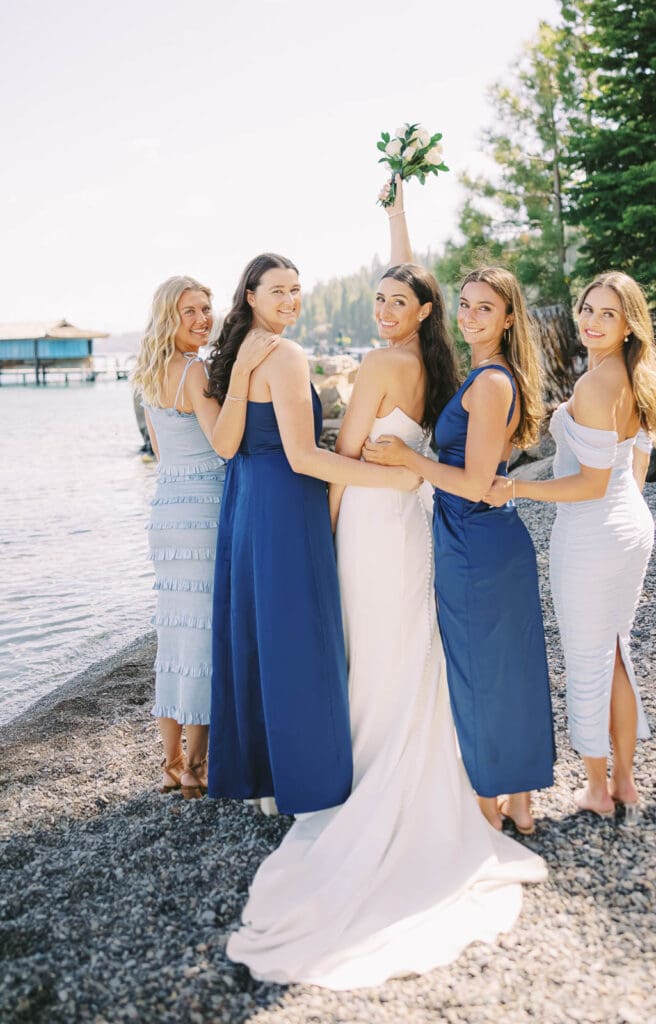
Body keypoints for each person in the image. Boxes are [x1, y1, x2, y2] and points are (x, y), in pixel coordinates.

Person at [225, 182, 547, 990]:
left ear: (419, 310)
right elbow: (408, 446)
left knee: (368, 649)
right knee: (409, 647)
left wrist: (324, 532)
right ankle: (415, 771)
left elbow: (351, 460)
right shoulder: (434, 368)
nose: (380, 309)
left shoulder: (377, 364)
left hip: (371, 523)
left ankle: (365, 778)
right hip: (415, 527)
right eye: (375, 299)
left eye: (395, 299)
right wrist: (398, 219)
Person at [204, 252, 419, 812]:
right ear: (249, 295)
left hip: (246, 503)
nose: (290, 301)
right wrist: (390, 479)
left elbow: (225, 448)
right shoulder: (286, 354)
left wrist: (243, 373)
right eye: (277, 290)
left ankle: (268, 782)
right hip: (283, 504)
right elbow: (303, 457)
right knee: (299, 636)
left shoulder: (242, 353)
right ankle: (309, 781)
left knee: (261, 632)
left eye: (296, 290)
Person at [365, 254, 556, 833]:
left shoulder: (493, 382)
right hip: (480, 538)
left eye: (485, 309)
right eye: (466, 305)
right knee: (509, 669)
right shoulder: (484, 376)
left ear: (506, 319)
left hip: (474, 540)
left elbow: (474, 483)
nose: (471, 316)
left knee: (478, 672)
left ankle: (488, 808)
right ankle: (518, 802)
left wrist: (410, 459)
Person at [485, 271, 656, 823]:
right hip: (628, 523)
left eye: (607, 314)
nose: (590, 321)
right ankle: (626, 782)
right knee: (614, 651)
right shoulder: (636, 376)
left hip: (593, 533)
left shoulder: (597, 384)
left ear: (628, 323)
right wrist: (619, 518)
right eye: (587, 309)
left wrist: (515, 487)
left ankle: (596, 787)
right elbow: (634, 465)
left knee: (588, 659)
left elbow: (589, 483)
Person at [132, 275, 276, 798]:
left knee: (175, 635)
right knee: (203, 638)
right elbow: (222, 443)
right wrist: (240, 381)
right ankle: (195, 764)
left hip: (167, 512)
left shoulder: (146, 374)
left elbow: (160, 450)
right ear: (169, 316)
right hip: (201, 513)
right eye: (190, 311)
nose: (202, 320)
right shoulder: (194, 371)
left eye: (206, 309)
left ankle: (172, 763)